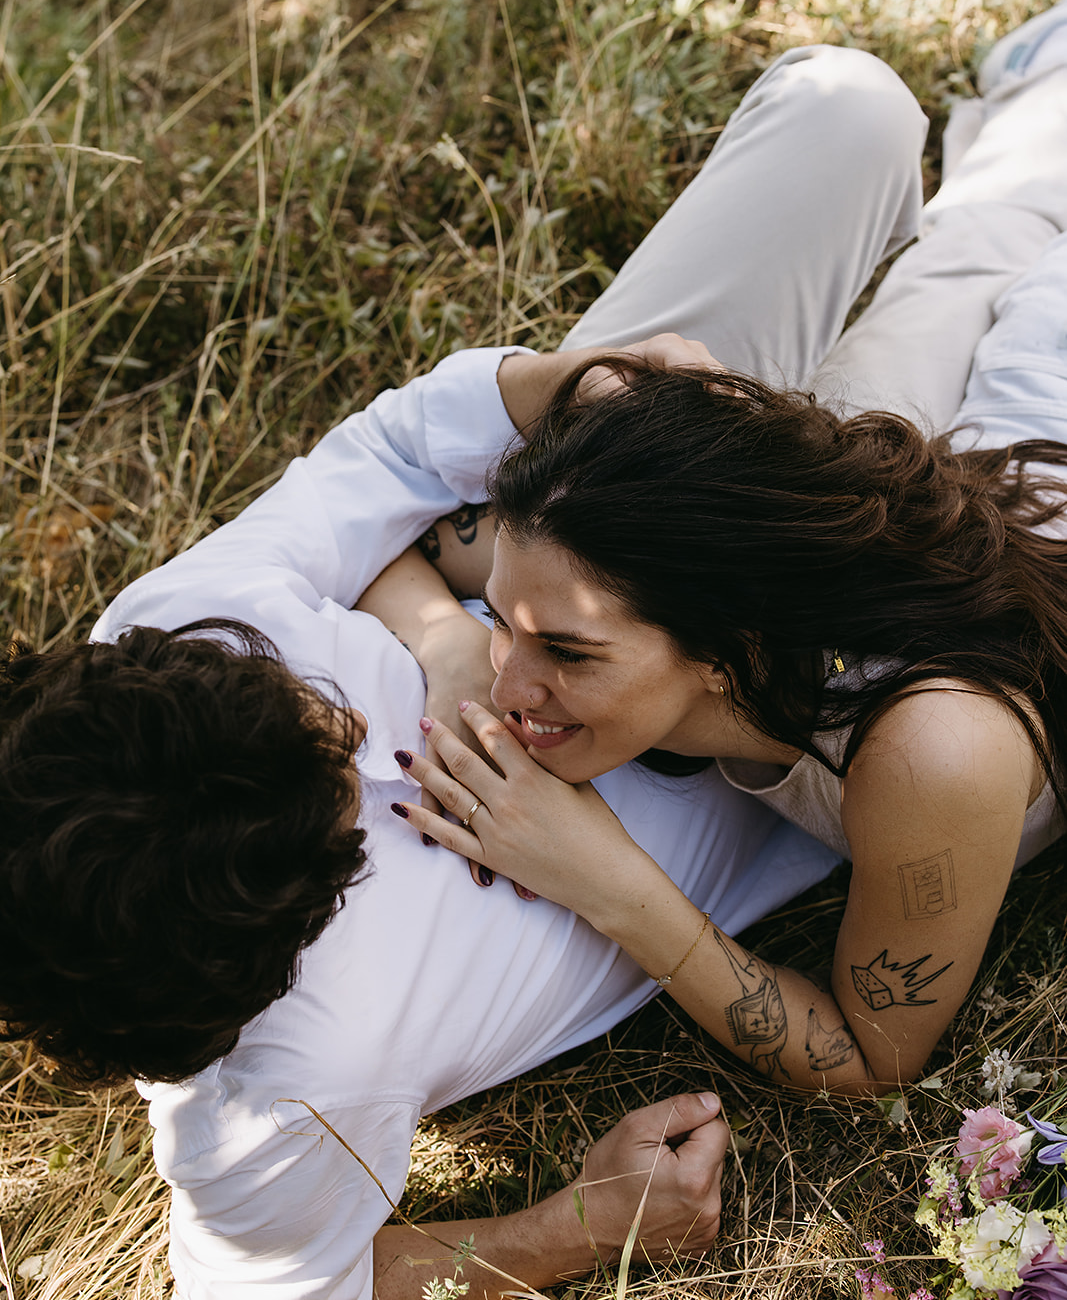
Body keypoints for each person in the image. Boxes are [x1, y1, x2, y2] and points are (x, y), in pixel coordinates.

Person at [0, 337, 840, 1299]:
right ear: (295, 921)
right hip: (802, 737)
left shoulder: (181, 628)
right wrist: (579, 1225)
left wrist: (572, 390)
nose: (356, 717)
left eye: (294, 692)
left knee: (847, 204)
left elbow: (390, 458)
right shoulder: (285, 1100)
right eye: (334, 771)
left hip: (630, 519)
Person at [378, 0, 1067, 1097]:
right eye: (506, 622)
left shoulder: (928, 747)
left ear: (725, 643)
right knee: (978, 241)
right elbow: (401, 536)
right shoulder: (593, 573)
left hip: (1043, 498)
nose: (513, 680)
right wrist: (446, 648)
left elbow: (870, 1053)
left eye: (564, 649)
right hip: (904, 473)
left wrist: (614, 884)